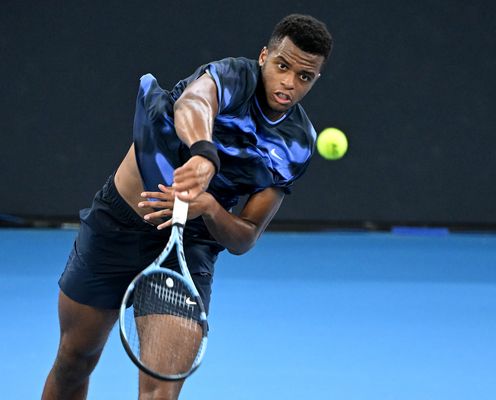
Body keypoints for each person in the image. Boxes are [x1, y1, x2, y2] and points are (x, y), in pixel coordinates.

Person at [42, 13, 333, 400]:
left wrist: (210, 207)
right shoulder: (230, 76)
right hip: (120, 224)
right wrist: (203, 153)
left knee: (161, 392)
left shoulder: (296, 145)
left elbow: (245, 236)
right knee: (75, 359)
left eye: (304, 77)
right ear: (264, 56)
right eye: (283, 66)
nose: (289, 83)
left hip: (189, 247)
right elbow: (194, 103)